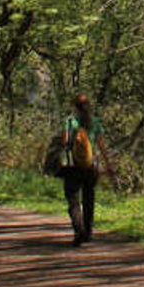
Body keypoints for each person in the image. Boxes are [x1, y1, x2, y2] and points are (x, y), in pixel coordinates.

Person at [61, 93, 114, 246]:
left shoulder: (70, 122)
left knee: (73, 199)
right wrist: (109, 165)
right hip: (91, 166)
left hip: (73, 166)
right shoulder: (95, 122)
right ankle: (88, 231)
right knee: (88, 198)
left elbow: (64, 142)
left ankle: (79, 230)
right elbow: (102, 146)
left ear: (75, 107)